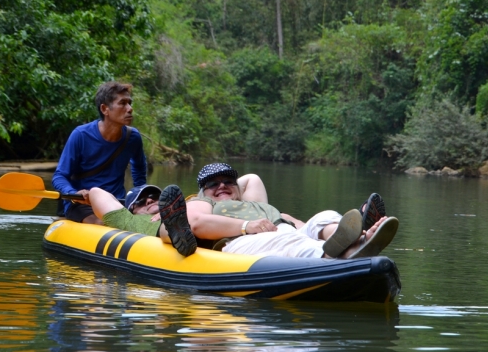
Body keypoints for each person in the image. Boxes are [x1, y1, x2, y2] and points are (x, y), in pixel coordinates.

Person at [158, 163, 398, 259]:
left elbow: (300, 226)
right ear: (202, 191)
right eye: (212, 184)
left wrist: (312, 228)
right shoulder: (206, 203)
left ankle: (357, 239)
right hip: (241, 241)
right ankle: (345, 253)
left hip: (282, 231)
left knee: (322, 218)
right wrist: (246, 226)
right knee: (288, 241)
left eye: (228, 182)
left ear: (238, 187)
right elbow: (197, 223)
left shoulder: (262, 206)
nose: (221, 186)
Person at [87, 173, 273, 257]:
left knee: (187, 217)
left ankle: (180, 225)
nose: (150, 201)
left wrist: (218, 190)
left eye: (154, 197)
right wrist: (86, 195)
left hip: (212, 228)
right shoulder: (127, 219)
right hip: (171, 231)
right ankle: (177, 231)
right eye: (140, 202)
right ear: (130, 211)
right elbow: (96, 192)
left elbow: (251, 179)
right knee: (167, 227)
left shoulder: (189, 205)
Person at [52, 81, 147, 225]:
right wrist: (73, 192)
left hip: (116, 203)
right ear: (105, 109)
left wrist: (140, 198)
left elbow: (139, 170)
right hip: (82, 205)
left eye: (129, 103)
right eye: (122, 103)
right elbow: (59, 176)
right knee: (105, 223)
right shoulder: (80, 135)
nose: (129, 109)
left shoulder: (133, 137)